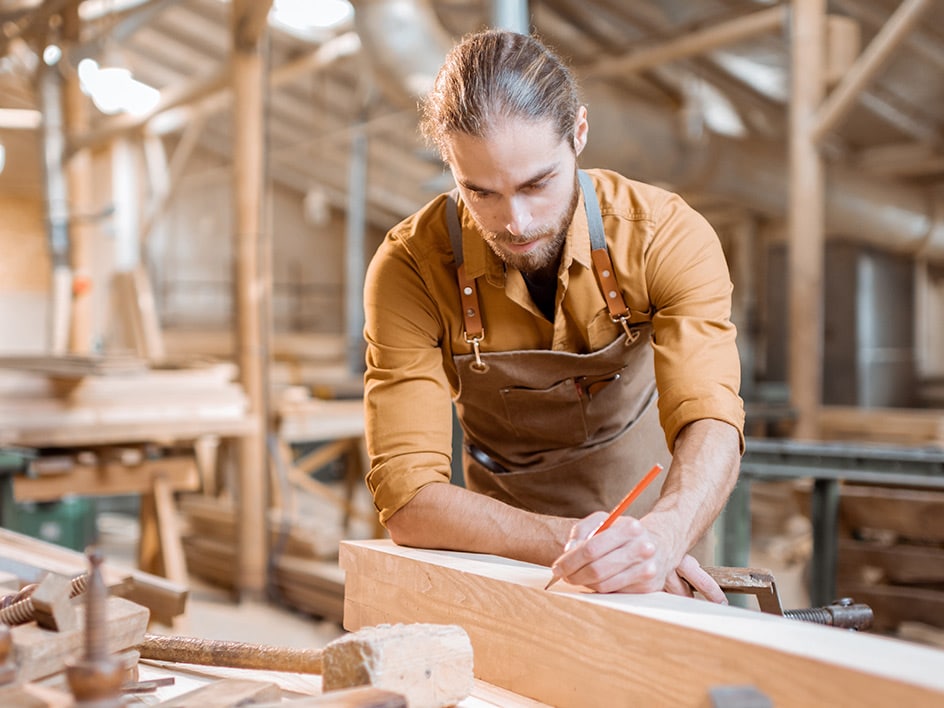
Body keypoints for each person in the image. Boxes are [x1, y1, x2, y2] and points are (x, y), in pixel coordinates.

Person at [362, 28, 744, 601]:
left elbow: (712, 418)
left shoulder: (665, 235)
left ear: (579, 134)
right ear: (450, 163)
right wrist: (577, 542)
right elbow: (408, 497)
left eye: (537, 183)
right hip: (500, 553)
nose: (514, 221)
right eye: (481, 192)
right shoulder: (409, 267)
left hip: (657, 544)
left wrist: (662, 538)